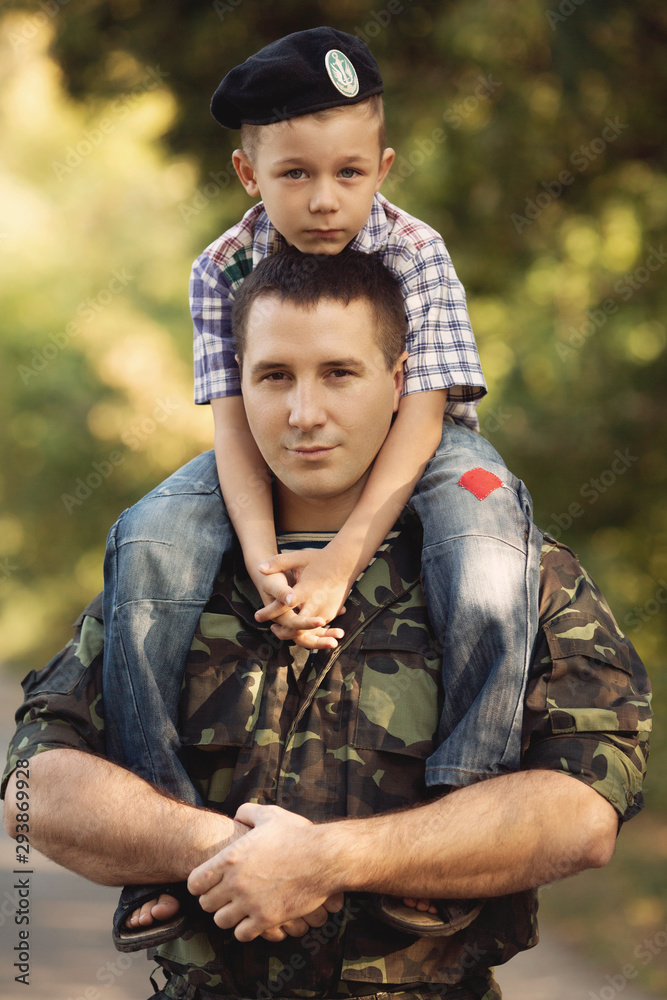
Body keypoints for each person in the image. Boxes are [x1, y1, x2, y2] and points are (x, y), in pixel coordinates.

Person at [3, 250, 651, 1000]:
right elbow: (33, 787)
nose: (303, 413)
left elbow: (580, 811)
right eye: (274, 376)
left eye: (339, 374)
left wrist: (329, 860)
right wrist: (219, 848)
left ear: (401, 381)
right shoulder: (169, 571)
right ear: (235, 383)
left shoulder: (507, 571)